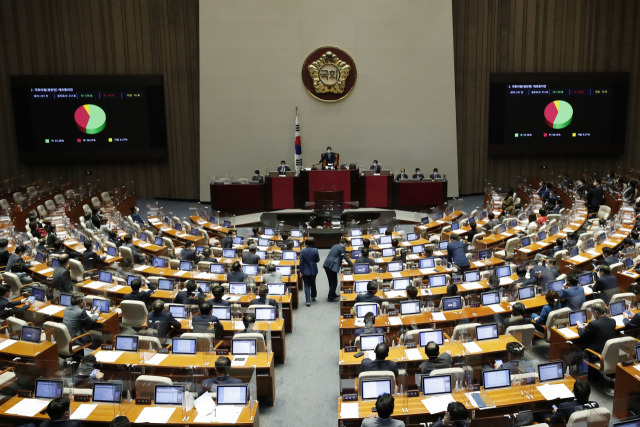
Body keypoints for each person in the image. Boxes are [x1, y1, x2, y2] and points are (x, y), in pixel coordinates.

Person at [323, 238, 353, 302]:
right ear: (344, 243)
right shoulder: (342, 247)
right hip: (332, 265)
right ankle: (330, 297)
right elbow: (345, 257)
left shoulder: (335, 245)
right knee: (334, 282)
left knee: (330, 281)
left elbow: (336, 255)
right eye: (346, 245)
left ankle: (333, 294)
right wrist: (352, 265)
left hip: (327, 264)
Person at [300, 236, 320, 307]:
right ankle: (313, 296)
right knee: (313, 283)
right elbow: (318, 259)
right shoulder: (315, 250)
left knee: (307, 285)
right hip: (313, 269)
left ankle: (308, 301)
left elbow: (301, 262)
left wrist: (301, 271)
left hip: (305, 270)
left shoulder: (302, 251)